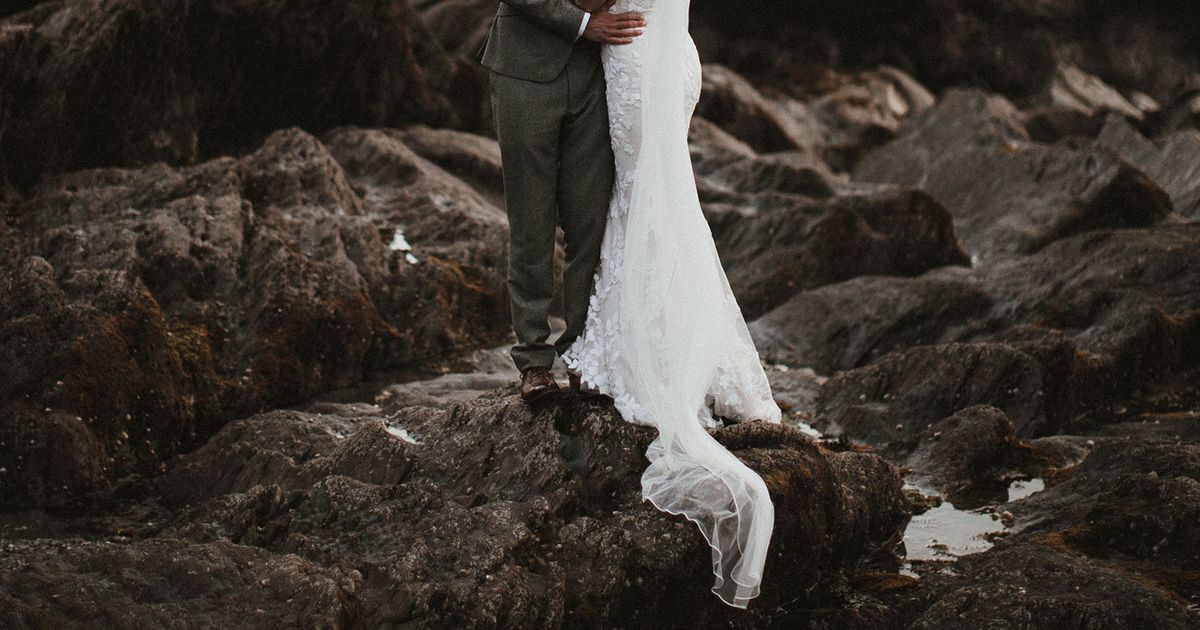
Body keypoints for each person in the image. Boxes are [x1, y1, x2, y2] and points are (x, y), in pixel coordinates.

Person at [560, 0, 783, 609]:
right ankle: (686, 339)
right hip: (672, 51)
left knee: (640, 192)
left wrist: (574, 17)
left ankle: (648, 344)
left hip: (636, 53)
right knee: (660, 195)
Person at [478, 0, 646, 403]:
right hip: (524, 70)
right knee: (531, 220)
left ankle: (581, 355)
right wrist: (583, 22)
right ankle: (534, 360)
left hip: (596, 75)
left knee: (591, 223)